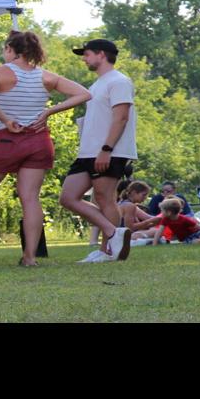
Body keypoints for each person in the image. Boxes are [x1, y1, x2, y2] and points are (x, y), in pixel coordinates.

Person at [0, 30, 92, 268]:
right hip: (39, 141)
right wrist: (49, 111)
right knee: (30, 198)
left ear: (10, 49)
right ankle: (30, 257)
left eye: (5, 49)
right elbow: (84, 93)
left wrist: (5, 118)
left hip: (6, 140)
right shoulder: (46, 77)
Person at [59, 38, 140, 264]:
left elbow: (121, 117)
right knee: (68, 197)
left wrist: (106, 149)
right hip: (88, 152)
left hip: (108, 151)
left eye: (87, 54)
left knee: (105, 199)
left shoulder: (119, 81)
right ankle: (114, 234)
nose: (84, 59)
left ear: (101, 54)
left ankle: (108, 250)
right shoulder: (97, 84)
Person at [126, 198, 200, 245]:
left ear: (168, 212)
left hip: (195, 233)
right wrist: (154, 244)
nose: (161, 213)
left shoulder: (184, 219)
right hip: (185, 238)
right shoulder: (166, 220)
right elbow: (159, 232)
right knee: (196, 242)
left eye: (162, 211)